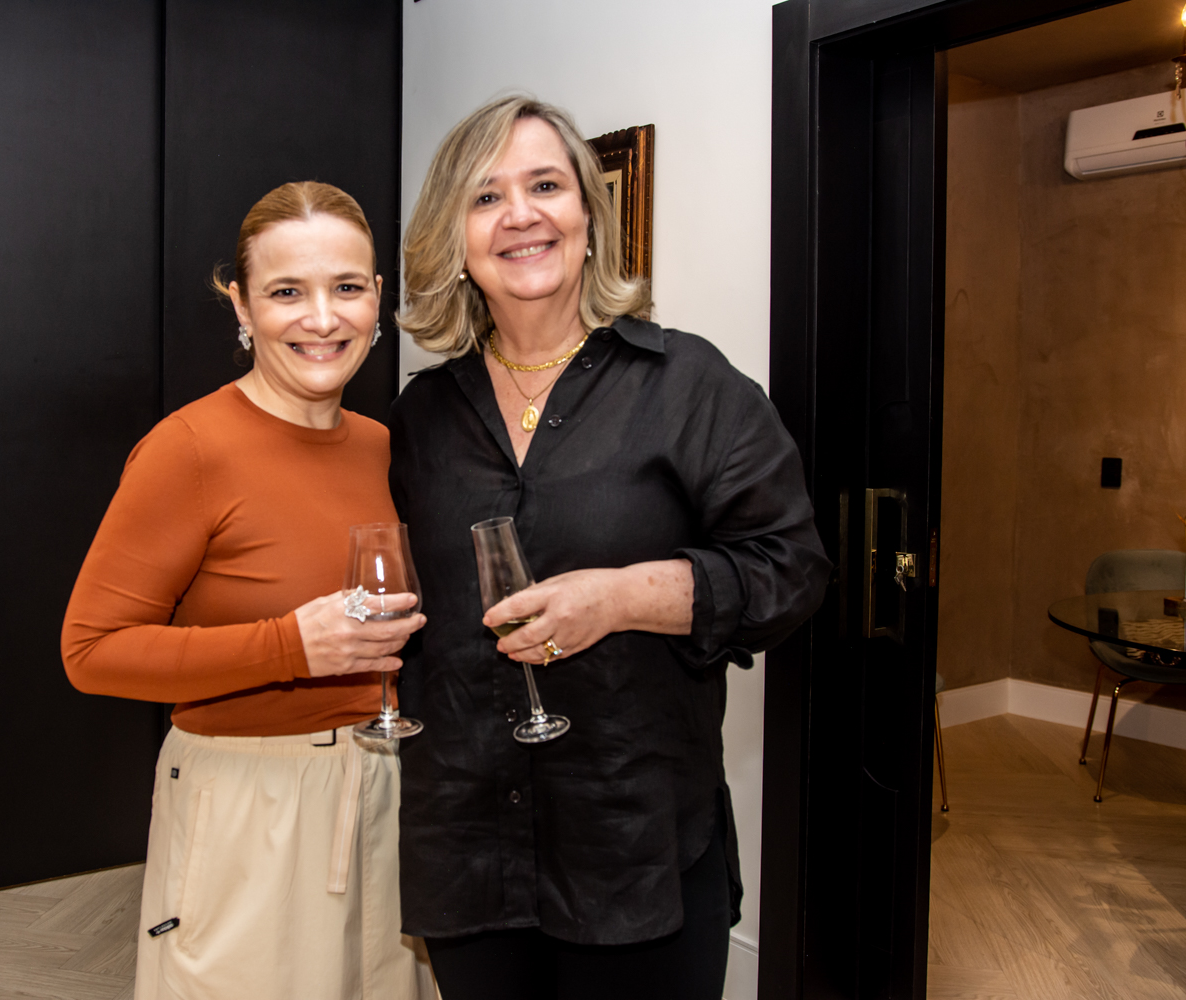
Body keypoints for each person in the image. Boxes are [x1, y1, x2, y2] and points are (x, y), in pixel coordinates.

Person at [388, 97, 830, 999]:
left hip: (636, 848)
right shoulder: (421, 416)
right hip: (468, 845)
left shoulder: (690, 385)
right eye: (486, 197)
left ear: (590, 217)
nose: (520, 214)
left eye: (546, 186)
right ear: (456, 240)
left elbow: (793, 571)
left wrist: (624, 598)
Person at [61, 181, 438, 1000]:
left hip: (386, 793)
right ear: (241, 304)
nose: (323, 319)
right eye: (286, 292)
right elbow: (91, 653)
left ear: (378, 296)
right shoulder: (189, 449)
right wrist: (289, 647)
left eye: (346, 287)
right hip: (244, 803)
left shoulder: (387, 447)